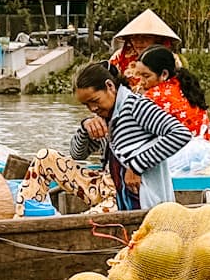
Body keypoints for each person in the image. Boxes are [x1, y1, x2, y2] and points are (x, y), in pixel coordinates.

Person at [69, 60, 190, 211]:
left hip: (142, 202)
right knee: (46, 157)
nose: (92, 108)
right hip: (110, 195)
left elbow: (180, 133)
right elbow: (76, 154)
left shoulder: (136, 106)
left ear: (110, 86)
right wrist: (85, 127)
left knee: (87, 223)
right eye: (86, 105)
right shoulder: (103, 119)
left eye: (95, 101)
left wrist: (136, 166)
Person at [132, 45, 210, 139]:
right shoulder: (184, 86)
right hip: (205, 146)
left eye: (146, 76)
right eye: (139, 75)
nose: (141, 81)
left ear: (164, 74)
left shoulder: (155, 96)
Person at [109, 8, 181, 79]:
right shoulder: (120, 56)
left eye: (146, 37)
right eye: (134, 37)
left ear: (157, 39)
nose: (139, 42)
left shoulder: (169, 58)